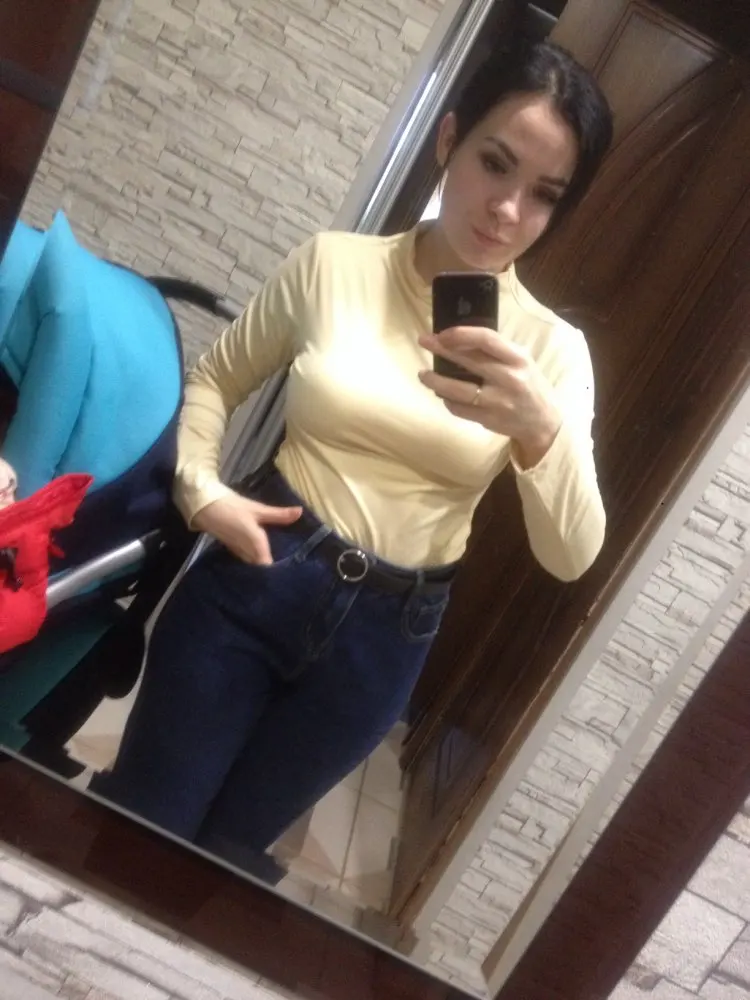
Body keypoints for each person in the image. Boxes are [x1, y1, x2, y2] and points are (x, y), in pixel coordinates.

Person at [91, 40, 614, 883]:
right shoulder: (333, 264)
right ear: (449, 140)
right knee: (144, 825)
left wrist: (540, 432)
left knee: (221, 865)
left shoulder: (554, 354)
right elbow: (217, 380)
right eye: (495, 164)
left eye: (544, 195)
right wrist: (201, 490)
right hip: (257, 576)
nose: (507, 210)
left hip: (385, 639)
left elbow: (572, 556)